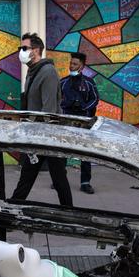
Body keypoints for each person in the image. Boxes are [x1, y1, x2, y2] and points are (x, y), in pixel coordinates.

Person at [11, 33, 73, 206]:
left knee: (58, 179)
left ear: (36, 50)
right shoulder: (32, 72)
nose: (20, 52)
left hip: (48, 137)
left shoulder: (48, 73)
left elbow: (49, 110)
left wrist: (41, 139)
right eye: (20, 49)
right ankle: (13, 209)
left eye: (24, 48)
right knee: (28, 177)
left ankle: (69, 213)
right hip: (36, 134)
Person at [60, 52, 99, 194]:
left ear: (82, 66)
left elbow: (95, 99)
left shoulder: (89, 82)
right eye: (71, 63)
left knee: (85, 153)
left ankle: (85, 183)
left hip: (84, 121)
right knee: (62, 150)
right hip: (66, 120)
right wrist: (64, 107)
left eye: (75, 64)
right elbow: (57, 98)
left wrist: (84, 108)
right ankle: (59, 180)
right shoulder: (63, 82)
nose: (71, 66)